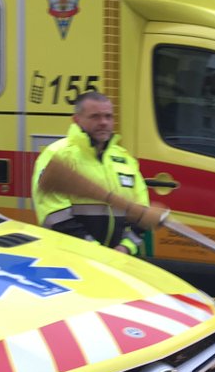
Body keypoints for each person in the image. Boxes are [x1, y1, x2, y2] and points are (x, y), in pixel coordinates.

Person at [31, 91, 149, 254]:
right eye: (95, 117)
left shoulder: (124, 158)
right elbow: (54, 216)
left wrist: (125, 247)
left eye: (108, 116)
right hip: (71, 260)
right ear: (76, 120)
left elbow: (141, 212)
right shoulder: (58, 155)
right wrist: (97, 252)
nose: (103, 122)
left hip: (118, 261)